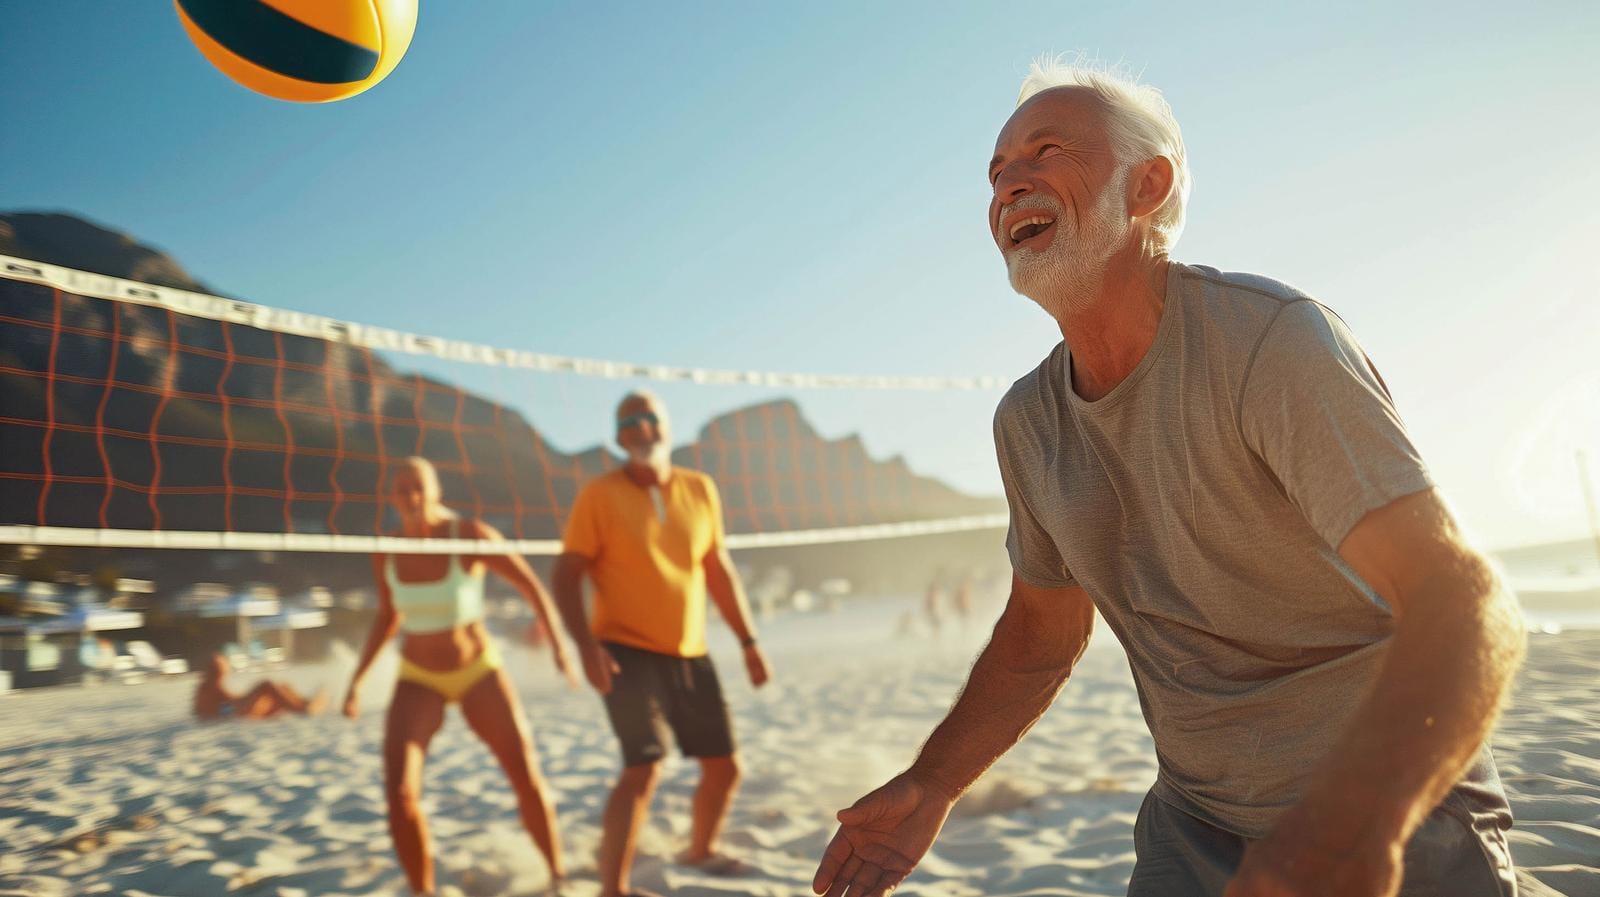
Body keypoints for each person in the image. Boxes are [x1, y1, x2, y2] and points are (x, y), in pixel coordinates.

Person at [813, 57, 1532, 897]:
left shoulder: (1271, 343)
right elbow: (1041, 635)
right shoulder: (1027, 421)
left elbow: (1467, 599)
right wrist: (932, 781)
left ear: (1147, 186)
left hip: (1400, 811)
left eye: (1046, 152)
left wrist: (1359, 820)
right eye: (997, 174)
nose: (1009, 186)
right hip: (1193, 826)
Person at [552, 390, 772, 897]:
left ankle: (699, 851)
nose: (638, 427)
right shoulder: (600, 494)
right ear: (617, 436)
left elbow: (717, 571)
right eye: (626, 421)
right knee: (644, 767)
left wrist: (748, 641)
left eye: (647, 416)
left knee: (724, 767)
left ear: (666, 426)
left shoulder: (700, 488)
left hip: (690, 650)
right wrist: (585, 646)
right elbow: (566, 574)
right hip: (625, 649)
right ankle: (614, 889)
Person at [343, 456, 576, 896]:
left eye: (419, 486)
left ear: (436, 490)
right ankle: (423, 891)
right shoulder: (387, 547)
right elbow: (388, 617)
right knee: (399, 793)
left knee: (525, 774)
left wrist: (560, 647)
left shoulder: (468, 535)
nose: (411, 496)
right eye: (402, 488)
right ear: (391, 496)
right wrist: (357, 680)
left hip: (477, 670)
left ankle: (558, 875)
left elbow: (531, 586)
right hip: (418, 676)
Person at [192, 652, 326, 720]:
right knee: (266, 685)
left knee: (282, 688)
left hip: (234, 711)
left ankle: (305, 704)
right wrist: (235, 708)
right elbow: (222, 708)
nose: (225, 672)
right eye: (222, 668)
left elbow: (219, 705)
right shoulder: (208, 687)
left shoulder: (206, 687)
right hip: (235, 713)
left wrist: (236, 705)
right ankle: (303, 709)